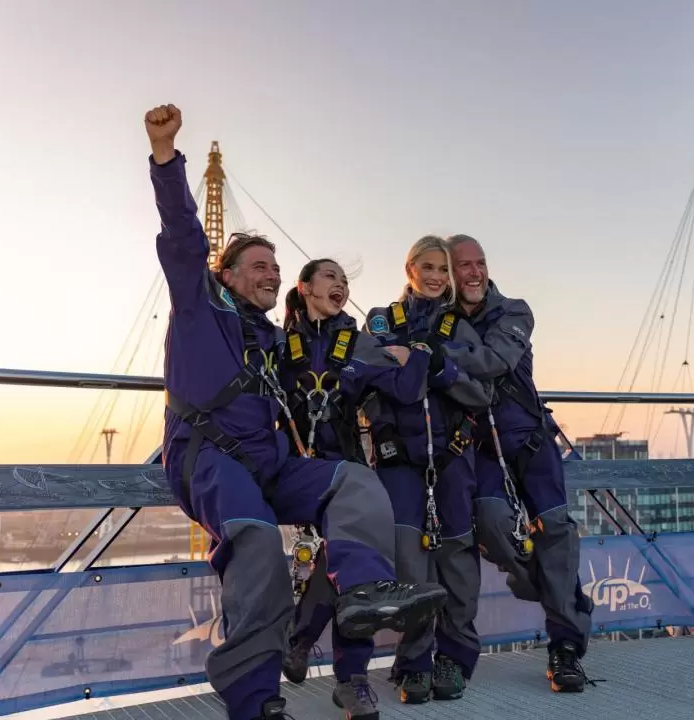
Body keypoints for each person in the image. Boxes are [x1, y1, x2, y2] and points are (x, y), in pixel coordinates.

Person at [144, 103, 447, 720]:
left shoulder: (274, 339)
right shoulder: (201, 306)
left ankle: (362, 590)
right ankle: (256, 701)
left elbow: (338, 369)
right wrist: (165, 156)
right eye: (258, 265)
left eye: (275, 268)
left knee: (355, 483)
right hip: (211, 459)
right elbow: (182, 233)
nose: (270, 273)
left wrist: (395, 353)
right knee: (257, 549)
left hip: (271, 461)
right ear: (224, 275)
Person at [275, 257, 437, 719]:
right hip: (290, 468)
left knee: (350, 560)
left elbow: (406, 391)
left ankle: (348, 675)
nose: (341, 285)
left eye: (345, 281)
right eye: (330, 277)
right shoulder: (276, 342)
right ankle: (309, 646)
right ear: (304, 287)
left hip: (342, 469)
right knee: (349, 560)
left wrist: (419, 351)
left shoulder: (360, 344)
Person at [444, 233, 595, 693]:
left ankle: (566, 647)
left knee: (556, 533)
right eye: (463, 266)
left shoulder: (514, 310)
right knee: (491, 522)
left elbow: (494, 360)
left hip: (529, 441)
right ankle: (555, 590)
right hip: (482, 448)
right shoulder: (438, 317)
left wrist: (433, 354)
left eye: (480, 263)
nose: (474, 272)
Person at [361, 235, 492, 704]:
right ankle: (414, 662)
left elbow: (483, 394)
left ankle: (454, 658)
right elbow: (364, 381)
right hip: (399, 460)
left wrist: (441, 370)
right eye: (429, 267)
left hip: (453, 457)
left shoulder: (460, 327)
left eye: (444, 269)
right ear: (410, 268)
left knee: (456, 561)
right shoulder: (381, 321)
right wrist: (385, 432)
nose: (437, 277)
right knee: (409, 562)